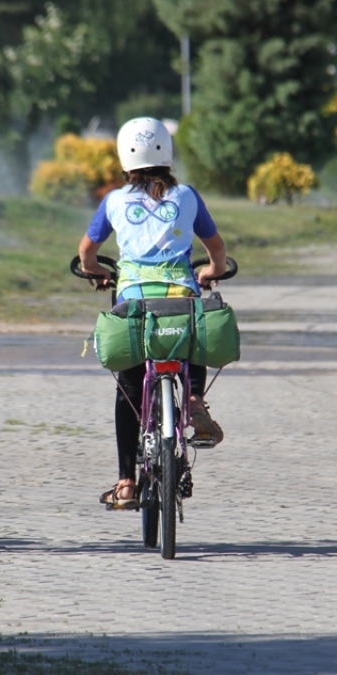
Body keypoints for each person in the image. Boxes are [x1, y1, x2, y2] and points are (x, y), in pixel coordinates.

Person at [77, 117, 228, 509]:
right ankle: (194, 399)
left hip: (133, 302)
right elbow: (217, 251)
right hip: (180, 297)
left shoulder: (114, 201)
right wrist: (210, 271)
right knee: (193, 335)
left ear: (125, 159)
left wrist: (96, 273)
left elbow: (86, 252)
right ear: (167, 153)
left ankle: (126, 483)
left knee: (128, 388)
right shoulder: (188, 196)